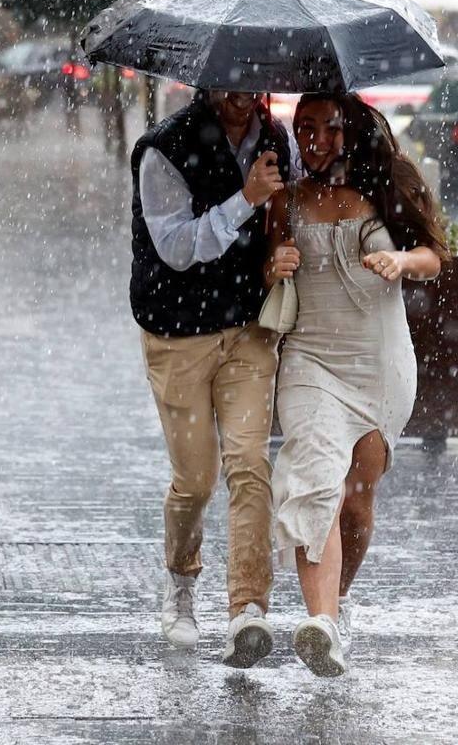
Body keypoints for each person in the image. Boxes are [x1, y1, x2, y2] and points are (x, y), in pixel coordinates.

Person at [267, 93, 447, 677]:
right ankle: (319, 623)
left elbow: (433, 256)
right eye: (305, 128)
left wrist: (400, 261)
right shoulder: (282, 198)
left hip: (378, 364)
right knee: (315, 481)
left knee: (356, 498)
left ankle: (338, 603)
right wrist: (273, 263)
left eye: (328, 127)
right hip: (309, 361)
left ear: (352, 131)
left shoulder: (384, 186)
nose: (315, 139)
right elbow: (257, 270)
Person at [132, 88, 290, 668]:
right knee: (196, 481)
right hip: (179, 334)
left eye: (253, 82)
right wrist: (244, 199)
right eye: (230, 82)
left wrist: (278, 253)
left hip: (248, 329)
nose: (242, 95)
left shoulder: (274, 138)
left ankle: (248, 608)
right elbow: (176, 248)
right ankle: (180, 576)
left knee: (250, 464)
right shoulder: (163, 150)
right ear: (205, 81)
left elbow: (282, 217)